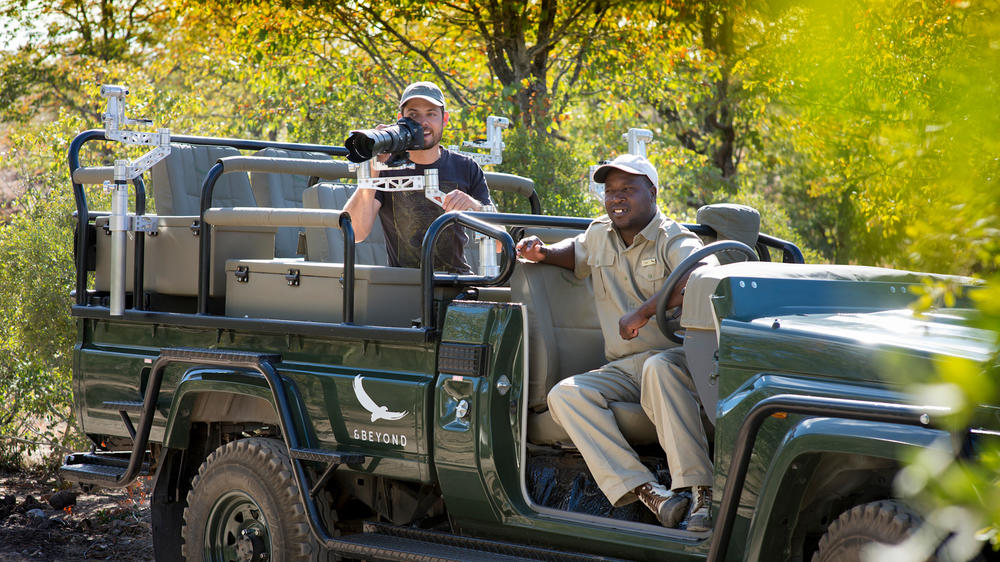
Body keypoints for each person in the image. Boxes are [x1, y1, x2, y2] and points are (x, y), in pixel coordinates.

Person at [515, 154, 715, 531]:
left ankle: (701, 493)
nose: (616, 198)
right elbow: (575, 253)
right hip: (625, 367)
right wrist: (541, 252)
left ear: (653, 193)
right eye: (610, 191)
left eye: (628, 189)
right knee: (566, 395)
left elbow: (701, 277)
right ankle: (652, 494)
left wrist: (641, 313)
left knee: (659, 369)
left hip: (679, 359)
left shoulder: (672, 237)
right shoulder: (599, 233)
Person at [344, 81, 493, 273]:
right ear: (400, 119)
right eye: (413, 115)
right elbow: (355, 232)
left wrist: (474, 207)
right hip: (403, 286)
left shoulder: (465, 166)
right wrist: (374, 166)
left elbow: (498, 242)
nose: (423, 123)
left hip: (456, 285)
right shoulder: (385, 168)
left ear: (445, 119)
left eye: (431, 114)